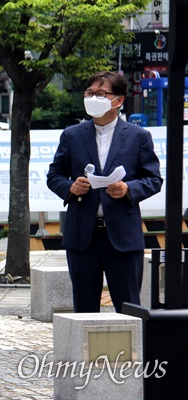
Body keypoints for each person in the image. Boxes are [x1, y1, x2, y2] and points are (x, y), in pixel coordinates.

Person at [47, 71, 163, 313]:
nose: (93, 98)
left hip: (122, 235)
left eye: (100, 94)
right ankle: (85, 353)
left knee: (128, 307)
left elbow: (153, 179)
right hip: (82, 236)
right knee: (84, 308)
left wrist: (128, 188)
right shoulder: (72, 135)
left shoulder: (138, 136)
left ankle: (131, 352)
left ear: (118, 100)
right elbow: (54, 176)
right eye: (89, 93)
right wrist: (70, 187)